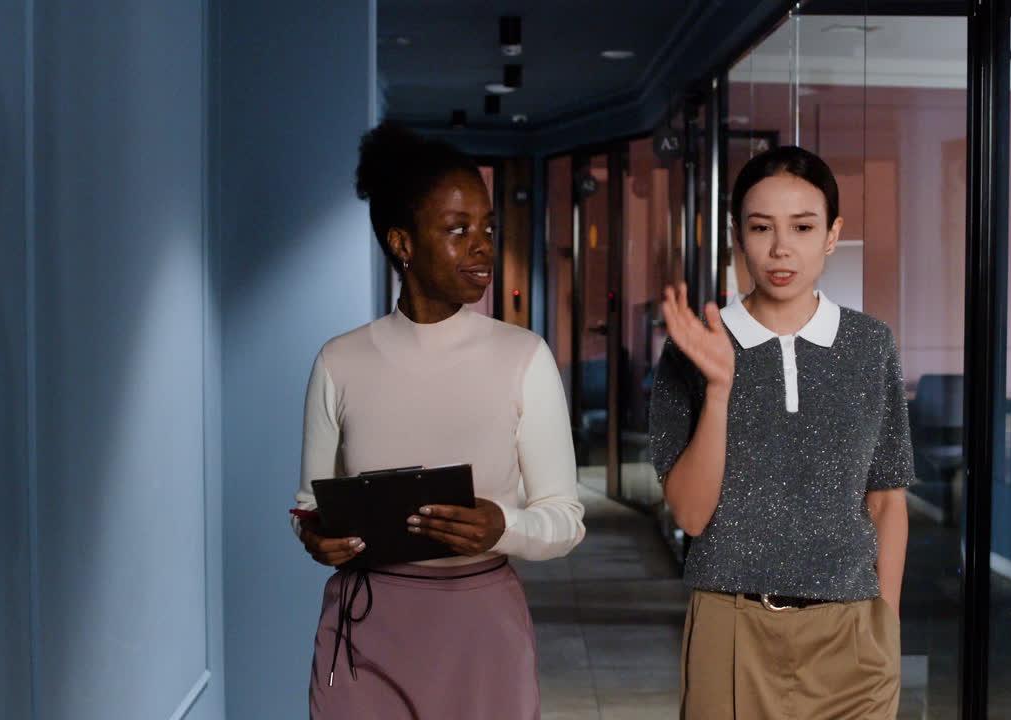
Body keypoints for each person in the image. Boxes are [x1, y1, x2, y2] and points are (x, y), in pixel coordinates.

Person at [291, 121, 585, 720]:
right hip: (363, 624)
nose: (482, 245)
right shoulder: (339, 360)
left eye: (487, 229)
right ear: (402, 243)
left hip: (481, 627)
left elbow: (565, 518)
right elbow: (307, 505)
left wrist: (500, 526)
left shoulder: (523, 356)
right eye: (458, 230)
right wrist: (317, 537)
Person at [649, 145, 910, 718]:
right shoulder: (693, 346)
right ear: (737, 235)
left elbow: (887, 500)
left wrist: (884, 627)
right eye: (761, 227)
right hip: (733, 626)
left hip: (854, 633)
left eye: (802, 226)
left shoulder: (870, 345)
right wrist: (721, 387)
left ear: (832, 234)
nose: (780, 248)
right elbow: (691, 516)